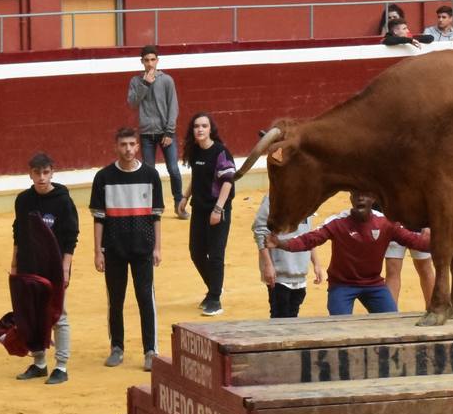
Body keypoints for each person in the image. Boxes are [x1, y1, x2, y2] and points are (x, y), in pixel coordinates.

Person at [273, 189, 432, 315]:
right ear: (351, 198)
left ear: (373, 199)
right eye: (356, 195)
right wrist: (280, 243)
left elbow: (413, 240)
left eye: (365, 195)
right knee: (341, 325)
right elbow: (309, 239)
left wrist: (440, 244)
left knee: (390, 320)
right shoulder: (338, 222)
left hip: (373, 284)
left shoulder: (385, 223)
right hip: (342, 285)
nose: (360, 198)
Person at [90, 128, 163, 368]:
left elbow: (156, 217)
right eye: (124, 145)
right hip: (114, 249)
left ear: (138, 146)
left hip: (143, 248)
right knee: (116, 300)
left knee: (145, 299)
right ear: (116, 146)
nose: (128, 149)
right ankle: (117, 347)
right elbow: (99, 218)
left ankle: (150, 350)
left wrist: (157, 248)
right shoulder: (103, 177)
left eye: (132, 144)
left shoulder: (151, 176)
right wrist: (97, 250)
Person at [13, 153, 78, 383]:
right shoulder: (22, 200)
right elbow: (18, 233)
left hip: (54, 266)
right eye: (37, 173)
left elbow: (71, 236)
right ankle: (39, 362)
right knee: (32, 315)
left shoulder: (62, 200)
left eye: (46, 172)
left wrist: (66, 268)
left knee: (58, 314)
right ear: (30, 174)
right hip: (29, 265)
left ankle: (61, 366)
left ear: (52, 172)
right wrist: (15, 265)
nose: (41, 177)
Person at [184, 114, 235, 315]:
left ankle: (215, 298)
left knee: (215, 254)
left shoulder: (221, 152)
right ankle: (214, 286)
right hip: (198, 208)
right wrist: (184, 197)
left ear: (210, 129)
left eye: (204, 126)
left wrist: (218, 209)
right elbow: (196, 178)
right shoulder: (195, 151)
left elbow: (228, 181)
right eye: (196, 126)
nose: (200, 130)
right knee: (196, 251)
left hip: (217, 209)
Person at [127, 48, 184, 215]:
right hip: (146, 134)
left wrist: (169, 132)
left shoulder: (167, 80)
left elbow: (173, 107)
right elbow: (132, 103)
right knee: (149, 172)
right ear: (142, 62)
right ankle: (152, 207)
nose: (150, 63)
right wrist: (145, 84)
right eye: (146, 60)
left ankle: (179, 205)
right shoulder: (136, 81)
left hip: (165, 133)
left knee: (173, 169)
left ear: (157, 60)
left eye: (153, 59)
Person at [253, 195, 320, 318]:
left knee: (293, 315)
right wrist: (268, 265)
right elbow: (260, 231)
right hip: (278, 275)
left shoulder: (309, 196)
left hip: (300, 273)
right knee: (280, 317)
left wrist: (316, 263)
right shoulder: (273, 197)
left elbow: (309, 234)